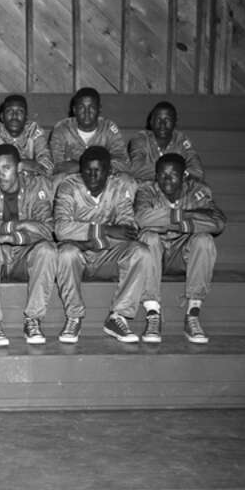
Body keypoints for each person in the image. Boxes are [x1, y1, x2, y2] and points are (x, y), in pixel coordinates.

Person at [54, 146, 149, 344]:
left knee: (141, 251)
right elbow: (61, 229)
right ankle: (74, 316)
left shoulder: (118, 187)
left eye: (99, 171)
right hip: (79, 258)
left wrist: (89, 242)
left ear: (109, 171)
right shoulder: (68, 187)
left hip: (105, 256)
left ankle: (118, 316)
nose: (93, 175)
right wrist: (105, 230)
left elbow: (128, 229)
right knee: (66, 253)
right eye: (87, 170)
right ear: (81, 171)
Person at [136, 153, 226, 344]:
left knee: (204, 240)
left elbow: (217, 222)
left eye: (173, 175)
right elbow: (143, 219)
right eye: (162, 174)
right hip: (155, 256)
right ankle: (153, 314)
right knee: (149, 237)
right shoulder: (146, 190)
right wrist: (185, 217)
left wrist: (186, 225)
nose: (166, 179)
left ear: (184, 175)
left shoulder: (198, 191)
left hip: (183, 256)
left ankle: (192, 313)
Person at [0, 144, 58, 346]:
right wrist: (23, 226)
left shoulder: (37, 185)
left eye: (6, 168)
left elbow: (47, 229)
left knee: (47, 249)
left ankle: (33, 319)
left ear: (19, 167)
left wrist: (9, 236)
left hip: (24, 254)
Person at [49, 87, 130, 177]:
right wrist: (94, 166)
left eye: (92, 108)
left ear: (99, 109)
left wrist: (83, 166)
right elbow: (56, 166)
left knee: (126, 180)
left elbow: (123, 162)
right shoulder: (62, 129)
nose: (86, 112)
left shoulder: (108, 128)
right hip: (71, 182)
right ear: (74, 110)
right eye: (81, 108)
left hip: (102, 180)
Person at [129, 101, 205, 184]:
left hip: (173, 188)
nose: (162, 124)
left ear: (175, 122)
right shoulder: (141, 139)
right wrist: (172, 172)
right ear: (151, 122)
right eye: (158, 119)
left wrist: (172, 175)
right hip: (147, 188)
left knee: (202, 188)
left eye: (167, 120)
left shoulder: (181, 140)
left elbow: (198, 172)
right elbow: (135, 169)